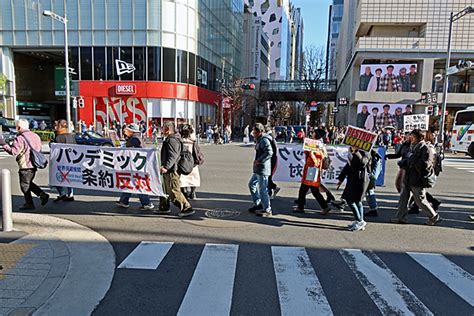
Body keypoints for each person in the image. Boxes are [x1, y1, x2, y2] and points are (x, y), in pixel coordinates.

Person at [392, 129, 441, 225]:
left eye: (413, 137)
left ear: (420, 138)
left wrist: (411, 160)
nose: (411, 138)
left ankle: (434, 216)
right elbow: (407, 158)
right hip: (408, 176)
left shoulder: (425, 148)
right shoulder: (412, 146)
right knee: (403, 198)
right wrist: (405, 162)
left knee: (420, 200)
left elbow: (426, 165)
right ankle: (400, 217)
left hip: (417, 179)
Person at [1, 119, 49, 210]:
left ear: (19, 127)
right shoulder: (35, 136)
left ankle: (30, 203)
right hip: (35, 163)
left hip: (25, 165)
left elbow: (14, 152)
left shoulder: (20, 138)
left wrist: (4, 145)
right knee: (28, 183)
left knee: (24, 186)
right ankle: (42, 195)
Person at [156, 121, 194, 217]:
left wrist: (166, 167)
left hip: (172, 170)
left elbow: (173, 156)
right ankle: (164, 207)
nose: (161, 130)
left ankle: (187, 208)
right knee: (164, 189)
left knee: (173, 190)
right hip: (168, 169)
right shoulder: (170, 139)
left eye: (163, 128)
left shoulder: (172, 140)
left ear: (168, 129)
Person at [116, 124, 155, 211]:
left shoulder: (134, 139)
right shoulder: (136, 138)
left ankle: (147, 203)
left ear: (131, 131)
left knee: (137, 183)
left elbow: (131, 152)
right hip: (137, 165)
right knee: (131, 182)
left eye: (127, 130)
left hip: (135, 165)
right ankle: (124, 201)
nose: (125, 132)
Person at [293, 129, 331, 214]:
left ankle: (301, 207)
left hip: (312, 169)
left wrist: (311, 153)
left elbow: (317, 159)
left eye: (313, 132)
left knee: (306, 189)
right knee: (312, 190)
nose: (312, 133)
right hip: (312, 169)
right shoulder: (316, 143)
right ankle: (324, 207)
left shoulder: (318, 145)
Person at [336, 147, 369, 231]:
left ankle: (360, 221)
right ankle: (359, 221)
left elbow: (363, 163)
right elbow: (348, 166)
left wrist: (356, 152)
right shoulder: (350, 151)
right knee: (356, 201)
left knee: (353, 201)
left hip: (360, 179)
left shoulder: (366, 151)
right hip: (352, 179)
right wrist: (340, 179)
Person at [248, 123, 273, 217]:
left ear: (260, 132)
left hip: (263, 169)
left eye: (254, 131)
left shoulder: (264, 140)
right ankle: (258, 204)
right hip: (258, 168)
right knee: (252, 184)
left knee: (263, 190)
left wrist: (259, 160)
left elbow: (270, 152)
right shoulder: (259, 140)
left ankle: (267, 209)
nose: (253, 133)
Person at [52, 119, 76, 202]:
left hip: (60, 161)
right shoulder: (71, 136)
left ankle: (62, 193)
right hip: (71, 160)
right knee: (69, 178)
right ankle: (71, 194)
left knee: (56, 178)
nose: (55, 127)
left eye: (57, 126)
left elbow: (55, 150)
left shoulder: (59, 137)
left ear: (61, 126)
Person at [180, 124, 201, 200]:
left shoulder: (180, 141)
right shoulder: (192, 141)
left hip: (182, 162)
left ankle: (185, 193)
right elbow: (197, 152)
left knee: (182, 179)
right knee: (193, 178)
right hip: (192, 162)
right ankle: (193, 193)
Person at [365, 149, 382, 217]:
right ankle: (373, 208)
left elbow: (373, 172)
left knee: (369, 192)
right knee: (369, 192)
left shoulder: (374, 158)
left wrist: (369, 176)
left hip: (371, 177)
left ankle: (373, 209)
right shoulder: (376, 158)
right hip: (372, 176)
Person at [265, 126, 280, 200]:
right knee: (268, 176)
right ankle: (272, 189)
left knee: (268, 176)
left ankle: (271, 191)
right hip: (272, 159)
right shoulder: (272, 136)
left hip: (271, 159)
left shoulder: (269, 137)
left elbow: (272, 150)